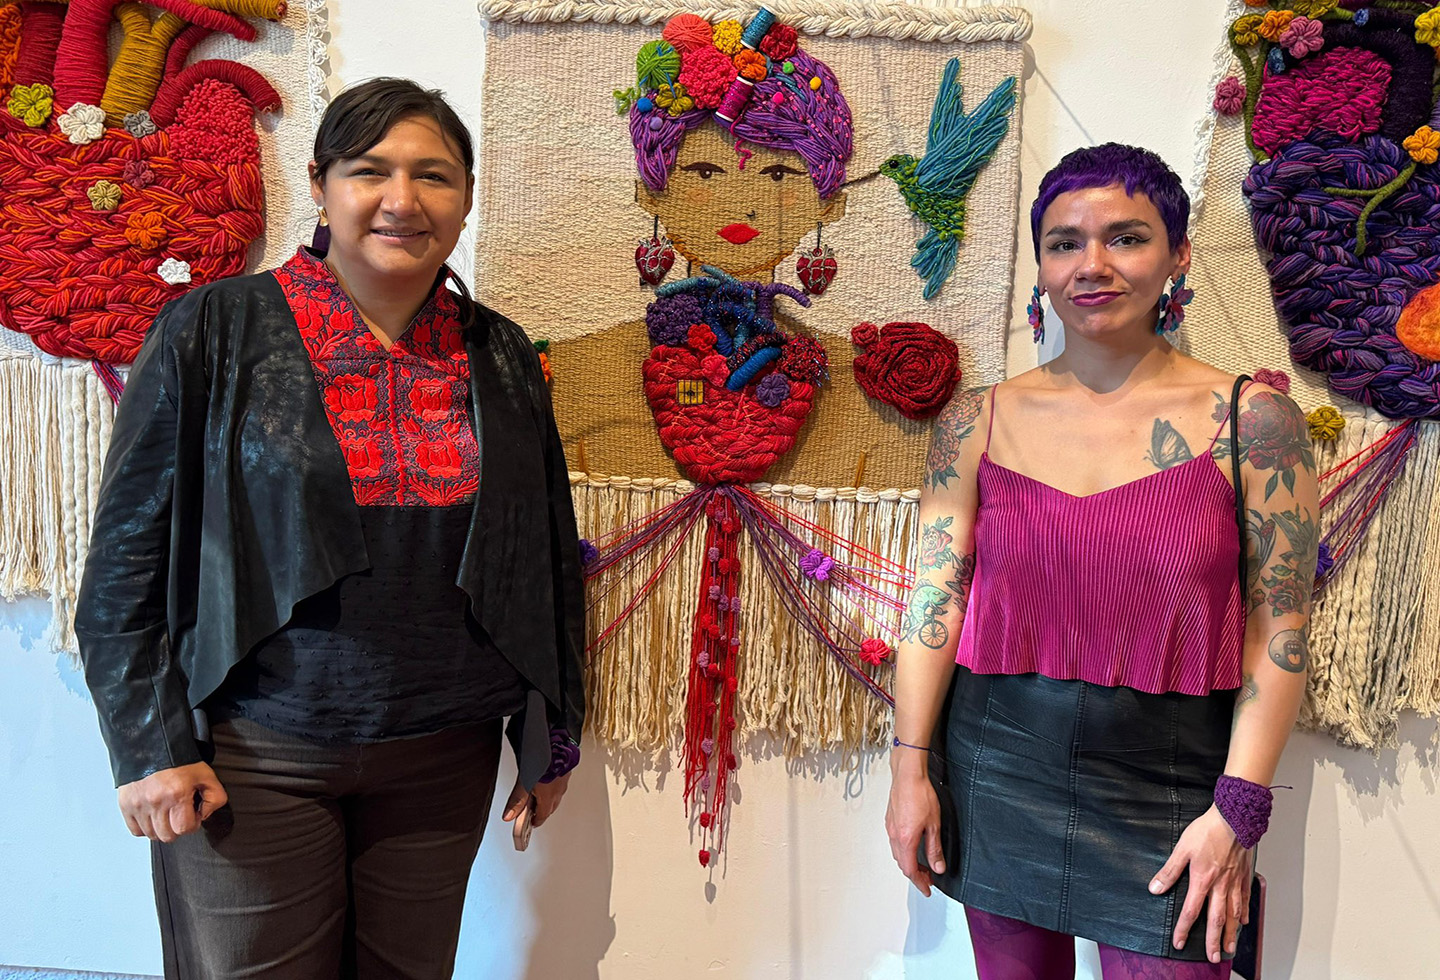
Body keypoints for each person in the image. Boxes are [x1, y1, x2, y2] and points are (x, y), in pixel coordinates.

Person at [75, 77, 585, 979]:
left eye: (434, 175)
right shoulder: (215, 328)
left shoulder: (501, 351)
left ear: (467, 196)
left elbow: (545, 554)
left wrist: (552, 738)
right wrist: (149, 744)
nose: (402, 199)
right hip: (254, 751)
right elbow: (126, 556)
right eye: (369, 171)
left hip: (444, 754)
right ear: (319, 184)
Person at [884, 143, 1318, 979]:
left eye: (1126, 237)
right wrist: (909, 771)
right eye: (1064, 243)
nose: (1092, 265)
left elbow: (1281, 625)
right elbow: (934, 601)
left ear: (1177, 253)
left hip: (1176, 787)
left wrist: (1239, 809)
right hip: (996, 771)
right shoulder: (975, 421)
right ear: (1041, 265)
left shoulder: (1255, 422)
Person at [550, 12, 932, 490]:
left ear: (829, 204)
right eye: (705, 172)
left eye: (778, 174)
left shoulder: (862, 397)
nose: (741, 205)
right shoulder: (576, 373)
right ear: (650, 193)